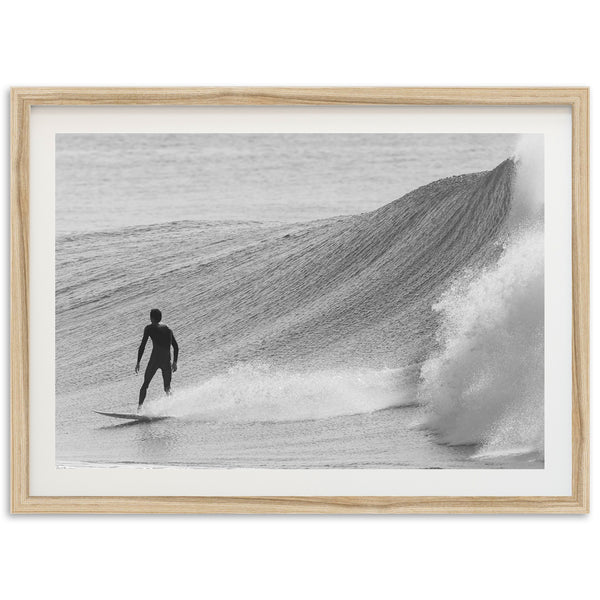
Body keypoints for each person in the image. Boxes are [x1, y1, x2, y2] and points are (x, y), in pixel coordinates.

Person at [135, 308, 179, 409]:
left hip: (155, 360)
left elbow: (143, 346)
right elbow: (176, 346)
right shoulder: (168, 329)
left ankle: (139, 409)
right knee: (167, 388)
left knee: (145, 384)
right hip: (166, 361)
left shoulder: (149, 328)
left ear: (151, 318)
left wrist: (138, 362)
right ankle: (175, 407)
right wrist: (175, 362)